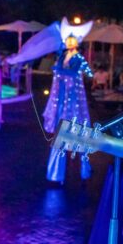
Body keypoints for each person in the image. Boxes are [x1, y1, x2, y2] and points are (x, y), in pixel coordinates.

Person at [43, 19, 94, 183]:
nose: (69, 42)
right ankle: (56, 174)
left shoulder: (78, 58)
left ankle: (84, 170)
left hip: (73, 104)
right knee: (60, 136)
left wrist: (62, 72)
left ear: (77, 42)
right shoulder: (62, 57)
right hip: (61, 101)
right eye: (68, 40)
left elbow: (83, 74)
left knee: (78, 136)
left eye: (72, 40)